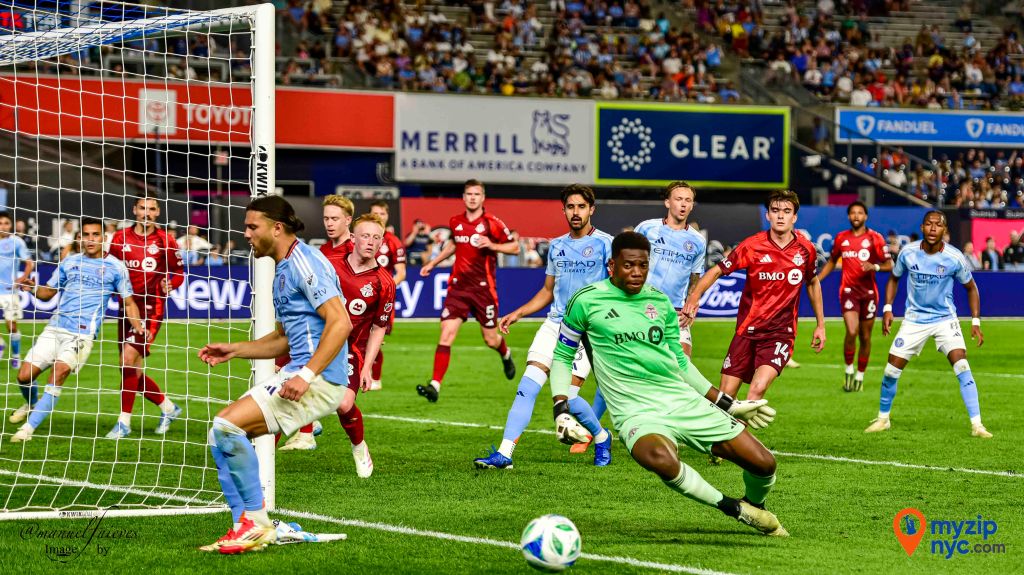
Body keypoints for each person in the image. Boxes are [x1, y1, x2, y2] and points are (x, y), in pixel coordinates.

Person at [549, 232, 787, 537]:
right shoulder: (586, 300)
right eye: (628, 265)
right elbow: (562, 355)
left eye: (643, 265)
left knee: (764, 464)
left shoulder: (659, 302)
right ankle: (734, 509)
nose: (636, 272)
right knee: (661, 459)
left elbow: (680, 363)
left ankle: (755, 505)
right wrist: (561, 408)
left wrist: (729, 404)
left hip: (682, 401)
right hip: (635, 412)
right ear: (612, 266)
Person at [197, 196, 353, 554]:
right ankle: (247, 525)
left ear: (277, 228)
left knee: (227, 426)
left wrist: (307, 375)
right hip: (302, 370)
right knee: (219, 434)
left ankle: (257, 524)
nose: (246, 234)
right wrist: (235, 349)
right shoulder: (283, 269)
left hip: (319, 378)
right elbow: (284, 338)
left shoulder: (304, 262)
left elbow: (340, 322)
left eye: (253, 227)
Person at [473, 184, 613, 470]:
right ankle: (505, 454)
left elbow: (615, 288)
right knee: (527, 386)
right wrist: (519, 312)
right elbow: (548, 290)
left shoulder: (606, 244)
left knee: (569, 398)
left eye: (581, 207)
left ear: (592, 209)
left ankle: (601, 436)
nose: (576, 212)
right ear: (564, 211)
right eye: (570, 207)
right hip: (555, 324)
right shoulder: (557, 246)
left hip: (586, 332)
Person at [682, 190, 826, 403]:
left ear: (794, 217)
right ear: (768, 215)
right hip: (746, 332)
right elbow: (717, 270)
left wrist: (820, 324)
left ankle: (741, 422)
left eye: (786, 211)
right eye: (775, 210)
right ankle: (733, 425)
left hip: (779, 333)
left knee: (757, 389)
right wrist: (694, 297)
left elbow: (812, 282)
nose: (780, 216)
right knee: (725, 399)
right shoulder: (752, 245)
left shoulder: (806, 249)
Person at [281, 214, 395, 481]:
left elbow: (379, 328)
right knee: (285, 394)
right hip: (315, 342)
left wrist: (367, 367)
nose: (371, 242)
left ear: (382, 242)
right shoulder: (328, 264)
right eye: (365, 236)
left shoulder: (384, 282)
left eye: (376, 237)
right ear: (353, 238)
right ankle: (262, 458)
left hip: (350, 350)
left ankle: (359, 447)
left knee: (344, 404)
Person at [9, 218, 142, 441]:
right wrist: (33, 289)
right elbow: (48, 293)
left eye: (95, 235)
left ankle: (27, 430)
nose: (90, 239)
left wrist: (138, 327)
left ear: (104, 238)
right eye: (86, 235)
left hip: (82, 334)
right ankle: (32, 404)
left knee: (58, 373)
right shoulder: (69, 262)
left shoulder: (116, 267)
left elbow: (129, 302)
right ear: (79, 238)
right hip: (55, 328)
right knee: (24, 376)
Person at [865, 211, 991, 438]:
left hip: (945, 319)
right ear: (922, 227)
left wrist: (975, 321)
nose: (933, 228)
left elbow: (971, 288)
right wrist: (887, 308)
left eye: (938, 225)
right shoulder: (908, 252)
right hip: (914, 320)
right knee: (891, 370)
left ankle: (977, 425)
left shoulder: (954, 257)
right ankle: (883, 419)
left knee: (962, 365)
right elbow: (894, 278)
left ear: (945, 230)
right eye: (929, 224)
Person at [417, 179, 519, 402]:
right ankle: (435, 385)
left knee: (490, 339)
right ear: (463, 197)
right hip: (459, 288)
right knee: (446, 333)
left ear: (483, 198)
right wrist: (433, 263)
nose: (472, 198)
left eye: (476, 194)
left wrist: (492, 245)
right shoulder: (456, 221)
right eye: (469, 194)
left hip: (483, 290)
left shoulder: (492, 223)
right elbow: (454, 244)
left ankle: (505, 353)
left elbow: (515, 247)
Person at [104, 195, 185, 439]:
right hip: (126, 307)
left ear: (158, 212)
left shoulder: (166, 240)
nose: (147, 213)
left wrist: (171, 284)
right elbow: (110, 268)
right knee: (129, 369)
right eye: (142, 208)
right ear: (135, 210)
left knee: (128, 359)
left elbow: (179, 272)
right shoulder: (120, 238)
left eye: (151, 209)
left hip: (151, 308)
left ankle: (124, 423)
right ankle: (168, 408)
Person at [815, 202, 893, 392]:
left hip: (869, 293)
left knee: (865, 337)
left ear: (866, 216)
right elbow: (832, 261)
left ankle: (860, 375)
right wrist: (817, 279)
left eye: (860, 213)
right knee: (852, 331)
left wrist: (874, 266)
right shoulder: (841, 238)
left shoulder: (875, 238)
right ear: (848, 216)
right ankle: (849, 370)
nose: (856, 216)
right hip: (849, 291)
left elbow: (889, 264)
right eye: (853, 213)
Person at [633, 181, 706, 358]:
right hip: (642, 305)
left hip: (676, 311)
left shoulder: (698, 241)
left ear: (692, 205)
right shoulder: (646, 228)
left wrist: (691, 305)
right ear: (667, 202)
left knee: (682, 366)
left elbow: (695, 277)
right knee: (639, 365)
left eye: (688, 200)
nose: (683, 204)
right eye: (678, 199)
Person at [367, 200, 407, 391]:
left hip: (382, 300)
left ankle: (375, 377)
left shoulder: (393, 241)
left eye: (382, 214)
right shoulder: (360, 238)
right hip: (361, 295)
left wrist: (385, 290)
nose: (378, 217)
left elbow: (401, 273)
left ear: (387, 216)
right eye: (375, 213)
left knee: (375, 340)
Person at [0, 212, 33, 369]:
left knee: (11, 326)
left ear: (11, 225)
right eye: (0, 223)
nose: (3, 226)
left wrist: (22, 279)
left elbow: (29, 263)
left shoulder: (17, 242)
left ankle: (16, 355)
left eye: (6, 223)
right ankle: (1, 343)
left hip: (9, 291)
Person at [320, 195, 355, 259]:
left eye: (334, 219)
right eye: (326, 219)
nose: (329, 224)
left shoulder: (356, 250)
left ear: (348, 220)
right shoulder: (323, 249)